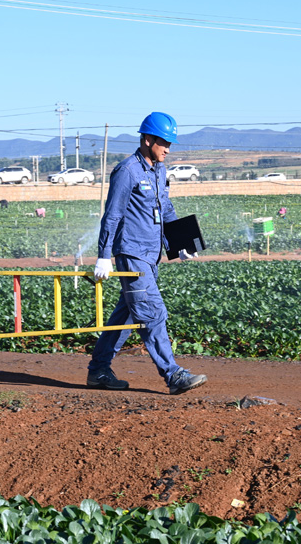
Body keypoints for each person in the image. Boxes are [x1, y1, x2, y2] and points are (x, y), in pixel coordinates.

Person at [88, 112, 207, 395]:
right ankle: (173, 375)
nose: (168, 148)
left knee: (127, 315)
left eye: (170, 143)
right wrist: (104, 254)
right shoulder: (127, 171)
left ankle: (99, 371)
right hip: (131, 252)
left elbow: (165, 209)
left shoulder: (159, 171)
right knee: (153, 312)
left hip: (151, 254)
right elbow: (112, 216)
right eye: (164, 142)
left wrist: (181, 243)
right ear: (147, 139)